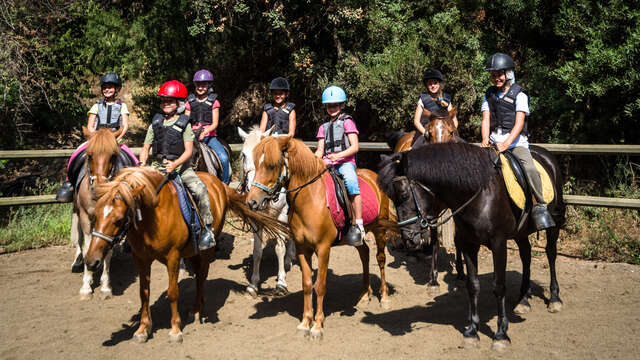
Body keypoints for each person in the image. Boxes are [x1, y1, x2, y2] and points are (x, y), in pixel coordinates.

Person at [480, 52, 555, 230]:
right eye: (493, 75)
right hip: (493, 142)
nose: (496, 78)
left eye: (499, 74)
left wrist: (507, 144)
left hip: (515, 143)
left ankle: (540, 205)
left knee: (529, 168)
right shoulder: (488, 95)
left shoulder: (519, 94)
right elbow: (485, 119)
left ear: (508, 73)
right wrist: (484, 139)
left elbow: (519, 123)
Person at [138, 80, 215, 250]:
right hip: (157, 168)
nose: (166, 104)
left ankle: (208, 229)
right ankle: (134, 228)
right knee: (134, 191)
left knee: (200, 189)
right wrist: (142, 163)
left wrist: (175, 164)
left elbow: (188, 151)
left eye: (170, 101)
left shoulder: (184, 123)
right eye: (164, 101)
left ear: (178, 104)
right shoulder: (155, 123)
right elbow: (145, 148)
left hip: (181, 169)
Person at [56, 72, 138, 202]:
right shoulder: (96, 106)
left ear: (117, 89)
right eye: (105, 87)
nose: (107, 90)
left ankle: (136, 184)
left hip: (114, 139)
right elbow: (90, 126)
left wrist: (114, 139)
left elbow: (125, 126)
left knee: (132, 157)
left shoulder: (122, 106)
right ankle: (69, 183)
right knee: (76, 153)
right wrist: (95, 138)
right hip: (96, 139)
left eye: (110, 87)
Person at [314, 85, 364, 246]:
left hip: (345, 162)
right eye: (329, 105)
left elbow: (354, 147)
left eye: (335, 105)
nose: (332, 108)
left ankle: (359, 223)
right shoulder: (323, 126)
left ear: (342, 105)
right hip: (328, 162)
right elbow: (320, 149)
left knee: (351, 183)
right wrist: (314, 160)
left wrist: (338, 156)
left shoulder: (347, 122)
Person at [185, 69, 230, 184]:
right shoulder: (189, 102)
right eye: (198, 84)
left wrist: (205, 132)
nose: (200, 87)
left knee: (224, 159)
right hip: (192, 136)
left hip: (209, 136)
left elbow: (215, 123)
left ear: (208, 85)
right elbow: (185, 121)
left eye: (203, 85)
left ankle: (225, 184)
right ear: (195, 85)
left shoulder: (214, 102)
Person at [413, 69, 458, 137]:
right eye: (430, 83)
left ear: (439, 84)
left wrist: (450, 132)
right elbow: (416, 121)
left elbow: (454, 120)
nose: (433, 86)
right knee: (416, 146)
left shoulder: (446, 98)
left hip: (444, 134)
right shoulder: (423, 99)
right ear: (427, 85)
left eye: (435, 83)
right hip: (427, 132)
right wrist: (425, 133)